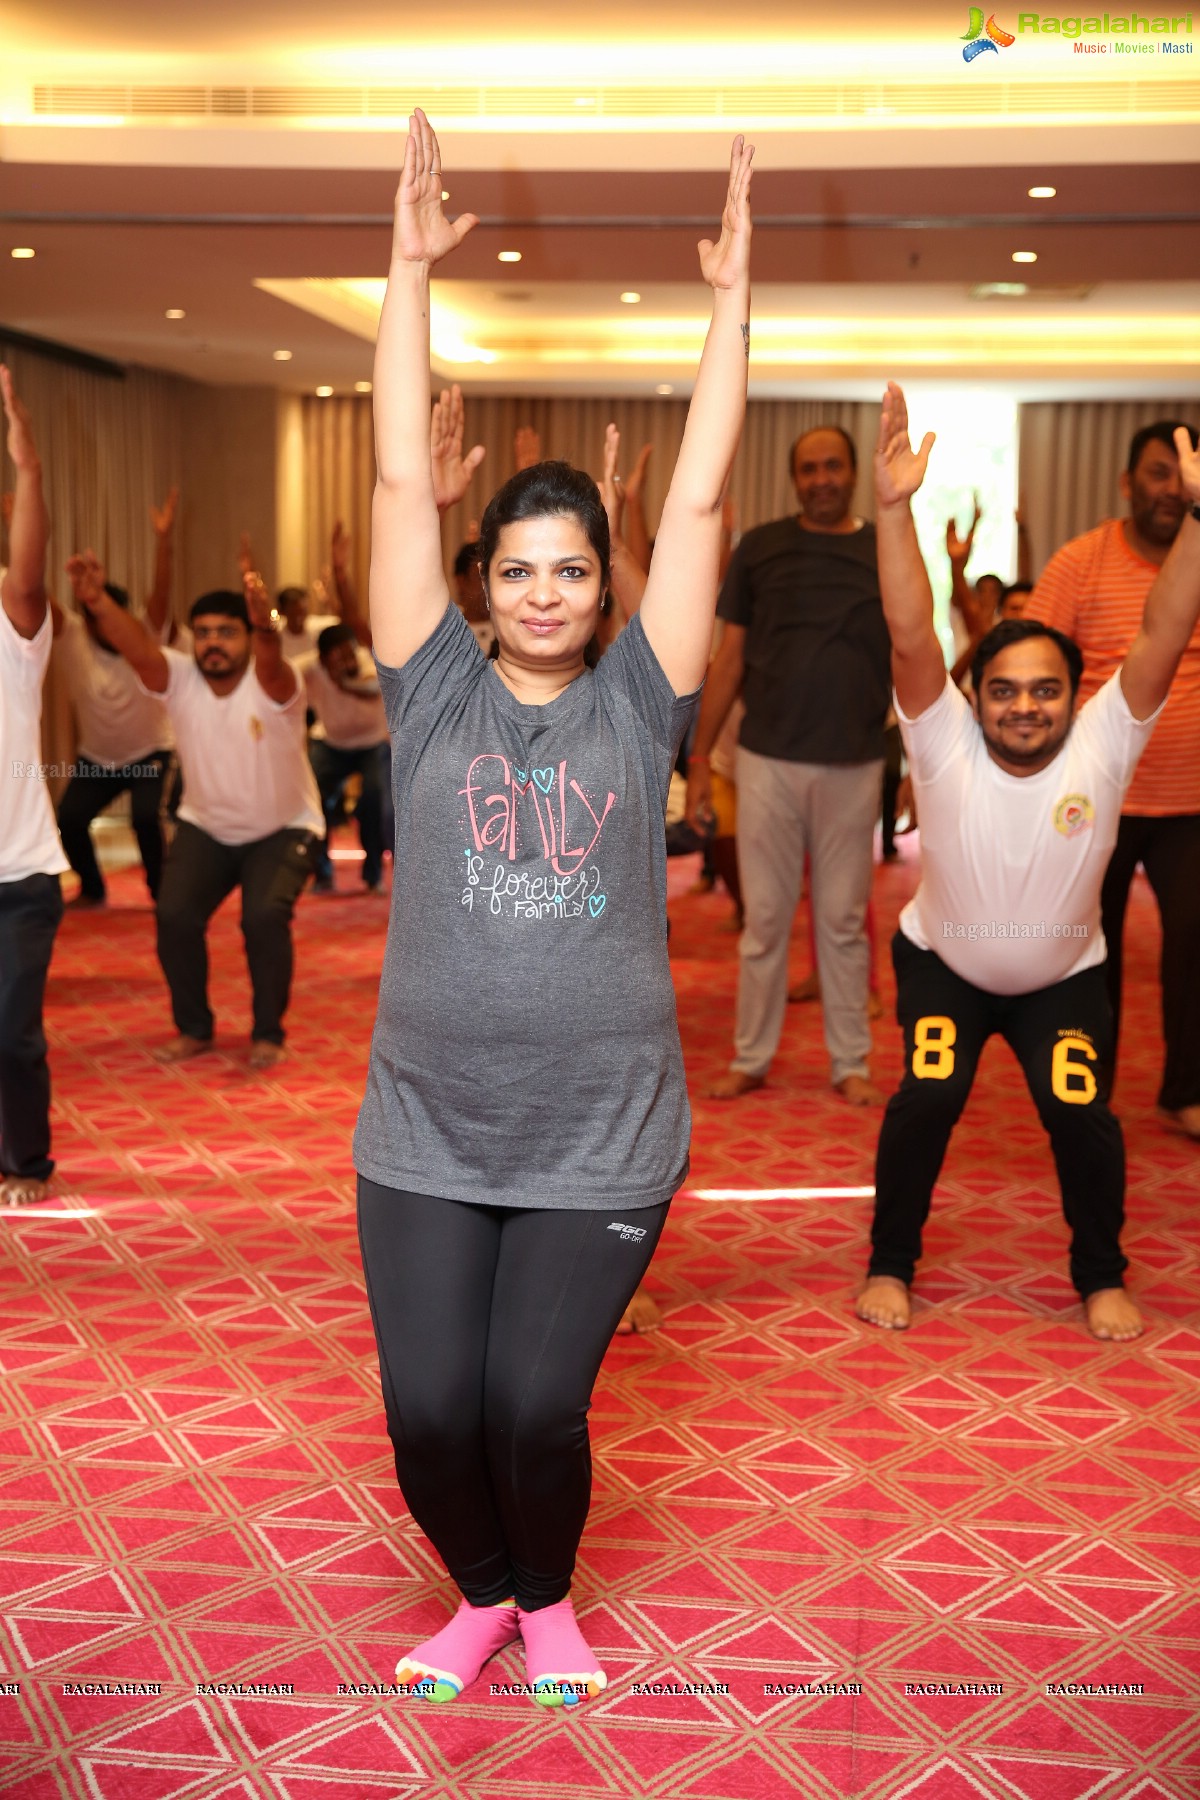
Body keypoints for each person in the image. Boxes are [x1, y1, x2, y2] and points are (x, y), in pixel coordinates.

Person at [353, 109, 752, 1709]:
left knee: (532, 1405)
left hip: (601, 1127)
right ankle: (487, 1594)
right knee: (430, 1415)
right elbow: (394, 468)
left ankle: (551, 1597)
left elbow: (709, 498)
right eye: (514, 570)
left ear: (607, 581)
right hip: (427, 1126)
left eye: (569, 571)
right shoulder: (431, 694)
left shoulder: (639, 702)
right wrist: (403, 266)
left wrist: (731, 308)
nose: (540, 594)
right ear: (479, 581)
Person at [857, 383, 1200, 1344]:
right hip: (945, 969)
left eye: (1045, 690)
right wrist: (895, 512)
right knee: (926, 1102)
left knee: (1085, 1120)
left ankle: (1101, 1274)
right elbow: (910, 630)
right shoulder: (943, 739)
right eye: (1003, 689)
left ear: (1074, 694)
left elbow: (1166, 630)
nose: (1023, 706)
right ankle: (891, 1263)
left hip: (1065, 983)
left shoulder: (1106, 740)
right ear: (974, 695)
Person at [686, 424, 890, 1105]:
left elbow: (912, 654)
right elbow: (729, 661)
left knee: (842, 920)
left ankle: (849, 1061)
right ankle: (751, 1057)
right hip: (766, 759)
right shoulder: (761, 549)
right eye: (809, 468)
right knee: (765, 919)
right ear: (794, 477)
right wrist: (695, 760)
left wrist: (920, 761)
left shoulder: (884, 547)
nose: (822, 478)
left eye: (833, 466)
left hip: (855, 762)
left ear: (853, 472)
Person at [67, 555, 322, 1068]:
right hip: (206, 827)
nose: (213, 644)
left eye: (227, 632)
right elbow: (136, 647)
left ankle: (267, 1033)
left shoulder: (276, 682)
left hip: (283, 829)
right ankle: (195, 1028)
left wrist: (265, 624)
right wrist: (95, 602)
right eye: (203, 633)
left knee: (262, 919)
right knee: (175, 917)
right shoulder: (179, 676)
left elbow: (270, 662)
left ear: (248, 638)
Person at [1026, 420, 1200, 1138]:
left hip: (1191, 797)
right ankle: (1083, 1090)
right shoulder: (1081, 561)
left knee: (1194, 946)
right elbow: (1035, 662)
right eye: (1158, 474)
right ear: (1129, 483)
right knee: (1089, 949)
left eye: (1182, 475)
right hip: (1092, 798)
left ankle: (1187, 1091)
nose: (1172, 489)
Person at [0, 367, 66, 1205]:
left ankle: (26, 1162)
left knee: (10, 1033)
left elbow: (27, 564)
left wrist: (30, 470)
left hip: (19, 875)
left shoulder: (14, 627)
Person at [54, 489, 179, 905]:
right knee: (69, 819)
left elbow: (161, 597)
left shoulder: (144, 634)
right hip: (98, 758)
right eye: (97, 619)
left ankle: (161, 894)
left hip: (150, 753)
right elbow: (36, 601)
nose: (106, 629)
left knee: (145, 817)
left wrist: (163, 541)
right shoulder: (72, 635)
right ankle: (92, 889)